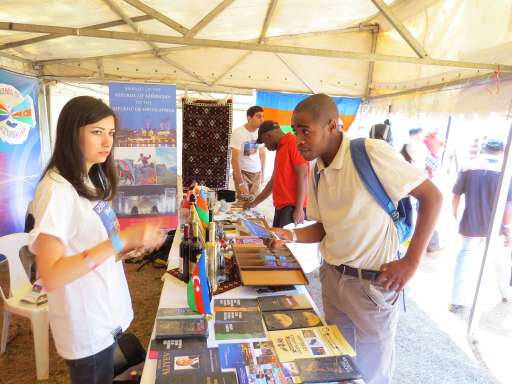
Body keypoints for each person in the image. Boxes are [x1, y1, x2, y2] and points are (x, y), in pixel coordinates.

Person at [270, 94, 442, 384]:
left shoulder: (369, 152)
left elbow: (432, 197)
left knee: (374, 373)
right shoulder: (318, 171)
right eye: (294, 131)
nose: (299, 139)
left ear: (331, 126)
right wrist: (291, 235)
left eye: (305, 130)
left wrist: (411, 261)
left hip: (372, 285)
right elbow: (326, 227)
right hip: (333, 279)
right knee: (340, 364)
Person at [28, 96, 165, 384]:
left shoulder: (89, 180)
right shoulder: (56, 190)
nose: (107, 142)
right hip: (85, 325)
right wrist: (119, 241)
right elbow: (50, 275)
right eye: (96, 132)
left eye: (111, 133)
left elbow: (92, 248)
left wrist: (127, 247)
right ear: (72, 132)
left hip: (105, 315)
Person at [450, 139, 512, 314]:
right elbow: (508, 204)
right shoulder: (506, 170)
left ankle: (456, 300)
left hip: (471, 222)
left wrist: (455, 215)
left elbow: (455, 196)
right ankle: (506, 293)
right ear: (501, 151)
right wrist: (508, 228)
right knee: (501, 261)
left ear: (484, 149)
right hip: (496, 226)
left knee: (464, 260)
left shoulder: (468, 166)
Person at [243, 120, 309, 227]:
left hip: (292, 209)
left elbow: (303, 175)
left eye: (264, 142)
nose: (266, 146)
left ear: (269, 135)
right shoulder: (281, 148)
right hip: (281, 208)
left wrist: (299, 208)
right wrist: (254, 203)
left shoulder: (292, 143)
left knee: (284, 243)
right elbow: (273, 182)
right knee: (276, 241)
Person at [230, 106, 266, 196]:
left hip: (257, 173)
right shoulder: (238, 133)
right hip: (243, 172)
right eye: (258, 116)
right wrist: (241, 182)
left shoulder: (260, 132)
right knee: (243, 202)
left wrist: (262, 173)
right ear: (249, 118)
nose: (262, 119)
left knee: (253, 203)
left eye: (263, 116)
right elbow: (234, 160)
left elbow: (262, 153)